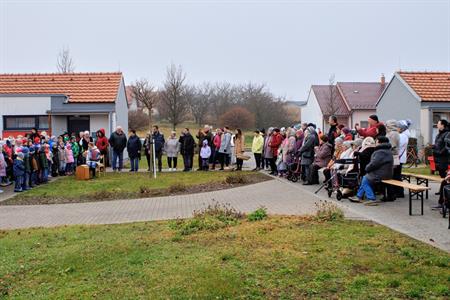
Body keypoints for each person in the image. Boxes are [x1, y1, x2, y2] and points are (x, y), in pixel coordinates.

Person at [349, 136, 393, 205]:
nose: (375, 143)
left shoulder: (380, 152)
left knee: (365, 179)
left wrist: (367, 168)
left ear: (379, 142)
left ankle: (371, 198)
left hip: (381, 174)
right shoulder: (387, 150)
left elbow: (374, 164)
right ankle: (359, 196)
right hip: (386, 173)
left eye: (376, 141)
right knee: (365, 178)